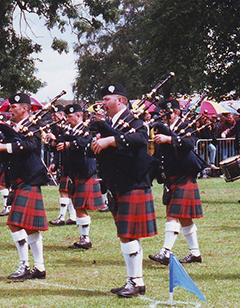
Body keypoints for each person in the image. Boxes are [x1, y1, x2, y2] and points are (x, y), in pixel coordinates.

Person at [90, 84, 157, 298]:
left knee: (128, 234)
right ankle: (135, 280)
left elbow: (141, 139)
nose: (103, 103)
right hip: (117, 182)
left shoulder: (134, 122)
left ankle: (135, 281)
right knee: (125, 234)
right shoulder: (107, 124)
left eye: (107, 98)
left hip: (133, 182)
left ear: (121, 100)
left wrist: (112, 140)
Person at [0, 93, 49, 280]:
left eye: (14, 107)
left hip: (29, 177)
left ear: (25, 108)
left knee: (15, 223)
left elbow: (30, 145)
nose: (10, 110)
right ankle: (39, 268)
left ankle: (25, 265)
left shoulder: (34, 126)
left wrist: (3, 147)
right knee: (30, 227)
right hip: (17, 179)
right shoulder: (11, 128)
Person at [148, 98, 205, 265]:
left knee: (172, 215)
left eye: (168, 114)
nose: (165, 117)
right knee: (185, 218)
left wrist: (169, 139)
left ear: (177, 112)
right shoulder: (161, 129)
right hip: (171, 179)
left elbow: (189, 143)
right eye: (163, 114)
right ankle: (195, 253)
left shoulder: (185, 126)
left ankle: (165, 253)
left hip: (184, 177)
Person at [57, 104, 105, 248]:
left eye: (70, 116)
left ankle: (85, 239)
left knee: (79, 206)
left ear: (79, 116)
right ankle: (84, 238)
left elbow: (85, 143)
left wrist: (68, 144)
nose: (67, 119)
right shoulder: (68, 130)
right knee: (77, 205)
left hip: (85, 171)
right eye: (66, 117)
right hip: (73, 171)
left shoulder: (88, 129)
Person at [46, 105, 77, 226]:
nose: (54, 117)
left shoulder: (69, 127)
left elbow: (69, 141)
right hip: (61, 161)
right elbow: (51, 148)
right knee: (65, 190)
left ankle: (62, 216)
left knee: (66, 190)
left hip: (71, 162)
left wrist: (56, 139)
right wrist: (54, 162)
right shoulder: (55, 127)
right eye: (53, 115)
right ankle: (73, 216)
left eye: (56, 114)